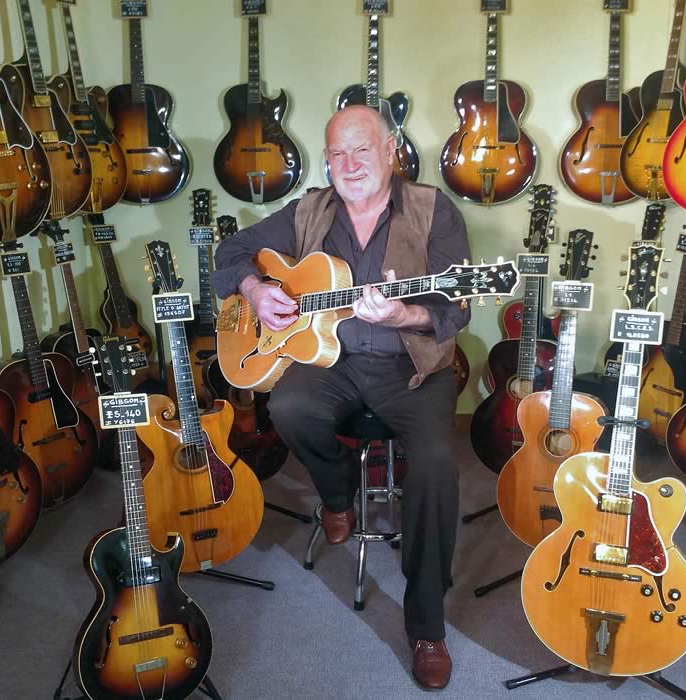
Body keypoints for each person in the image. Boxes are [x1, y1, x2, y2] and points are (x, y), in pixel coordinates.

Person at [212, 105, 471, 690]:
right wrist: (254, 290)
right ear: (326, 161)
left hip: (412, 368)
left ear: (390, 151)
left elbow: (455, 307)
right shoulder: (309, 210)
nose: (350, 165)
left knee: (436, 466)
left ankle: (426, 626)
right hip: (331, 361)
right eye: (337, 154)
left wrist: (403, 313)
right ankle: (337, 495)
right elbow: (232, 252)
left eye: (362, 150)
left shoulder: (433, 209)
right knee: (287, 407)